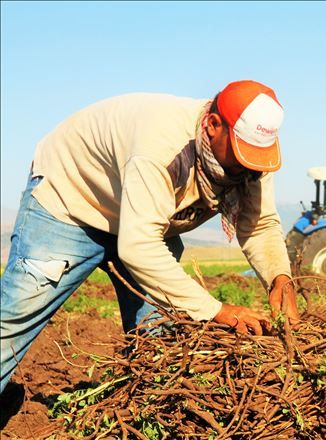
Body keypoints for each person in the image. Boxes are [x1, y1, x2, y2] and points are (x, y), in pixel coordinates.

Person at [0, 80, 301, 396]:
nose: (246, 167)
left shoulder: (252, 162)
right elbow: (139, 246)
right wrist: (217, 310)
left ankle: (141, 416)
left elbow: (260, 224)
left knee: (157, 343)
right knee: (14, 317)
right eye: (241, 155)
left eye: (254, 159)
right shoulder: (161, 145)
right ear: (213, 125)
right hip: (72, 200)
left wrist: (280, 279)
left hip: (146, 223)